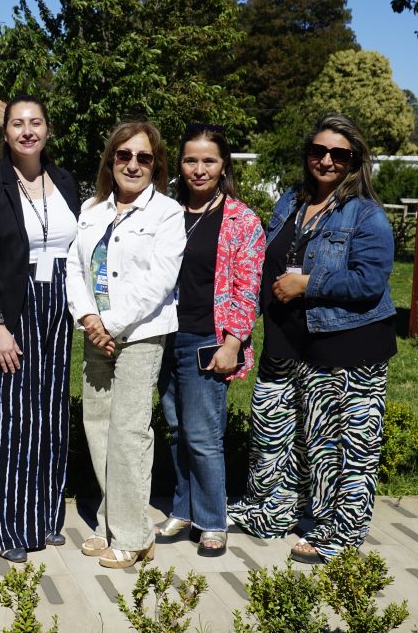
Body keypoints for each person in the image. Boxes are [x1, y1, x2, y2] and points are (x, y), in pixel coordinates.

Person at [228, 114, 396, 564]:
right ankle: (271, 510)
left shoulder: (366, 214)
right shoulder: (292, 200)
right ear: (307, 156)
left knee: (344, 445)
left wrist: (308, 284)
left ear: (353, 161)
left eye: (338, 154)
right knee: (275, 429)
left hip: (347, 344)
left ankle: (339, 533)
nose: (326, 160)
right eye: (318, 151)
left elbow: (370, 282)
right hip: (290, 338)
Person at [0, 94, 80, 563]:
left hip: (60, 306)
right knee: (5, 420)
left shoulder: (67, 181)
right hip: (13, 307)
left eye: (35, 122)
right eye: (17, 123)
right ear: (5, 133)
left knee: (49, 416)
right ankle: (2, 526)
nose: (27, 131)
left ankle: (43, 517)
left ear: (47, 129)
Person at [66, 121, 185, 568]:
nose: (132, 164)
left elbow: (159, 283)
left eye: (143, 157)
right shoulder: (92, 208)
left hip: (139, 335)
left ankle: (135, 536)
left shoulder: (167, 213)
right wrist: (89, 319)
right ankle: (110, 519)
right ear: (111, 159)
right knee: (97, 426)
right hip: (95, 332)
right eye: (124, 155)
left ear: (155, 166)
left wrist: (110, 324)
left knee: (129, 432)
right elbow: (75, 271)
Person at [156, 123, 265, 557]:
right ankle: (183, 509)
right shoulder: (165, 213)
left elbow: (247, 287)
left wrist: (233, 343)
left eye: (209, 161)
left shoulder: (242, 221)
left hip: (208, 337)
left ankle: (212, 519)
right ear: (179, 164)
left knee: (203, 435)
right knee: (177, 429)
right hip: (164, 335)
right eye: (190, 160)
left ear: (223, 167)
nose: (199, 169)